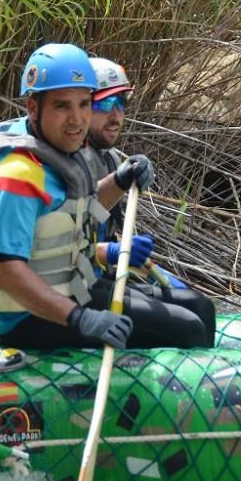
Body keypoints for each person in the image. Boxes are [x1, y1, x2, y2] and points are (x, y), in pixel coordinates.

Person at [0, 43, 207, 351]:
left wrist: (121, 180)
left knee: (199, 309)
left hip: (75, 291)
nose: (77, 120)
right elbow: (8, 275)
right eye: (62, 106)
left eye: (84, 104)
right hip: (29, 320)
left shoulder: (59, 151)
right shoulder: (13, 177)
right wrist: (82, 319)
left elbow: (80, 212)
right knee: (187, 329)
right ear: (33, 108)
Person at [82, 56, 217, 345]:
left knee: (201, 306)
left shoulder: (108, 158)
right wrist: (113, 251)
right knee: (188, 326)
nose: (115, 115)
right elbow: (59, 239)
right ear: (81, 108)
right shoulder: (65, 164)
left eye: (121, 104)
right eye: (105, 105)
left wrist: (140, 265)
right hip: (70, 293)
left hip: (96, 280)